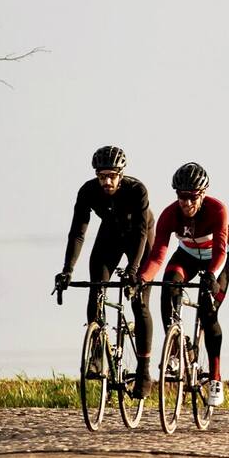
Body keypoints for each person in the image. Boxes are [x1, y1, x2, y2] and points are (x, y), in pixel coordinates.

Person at [55, 145, 155, 398]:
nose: (106, 182)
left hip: (140, 238)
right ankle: (97, 354)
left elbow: (141, 233)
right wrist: (67, 269)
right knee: (96, 290)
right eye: (101, 177)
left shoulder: (137, 190)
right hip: (110, 235)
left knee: (139, 302)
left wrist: (133, 270)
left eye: (111, 176)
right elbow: (77, 232)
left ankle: (143, 370)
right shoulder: (88, 191)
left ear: (121, 174)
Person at [139, 161, 229, 407]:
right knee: (168, 285)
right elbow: (158, 256)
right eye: (182, 196)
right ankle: (175, 351)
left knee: (208, 312)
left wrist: (211, 275)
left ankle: (215, 378)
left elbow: (220, 252)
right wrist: (142, 279)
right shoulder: (170, 214)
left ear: (203, 194)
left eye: (192, 197)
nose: (187, 202)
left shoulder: (217, 210)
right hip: (188, 255)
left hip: (217, 259)